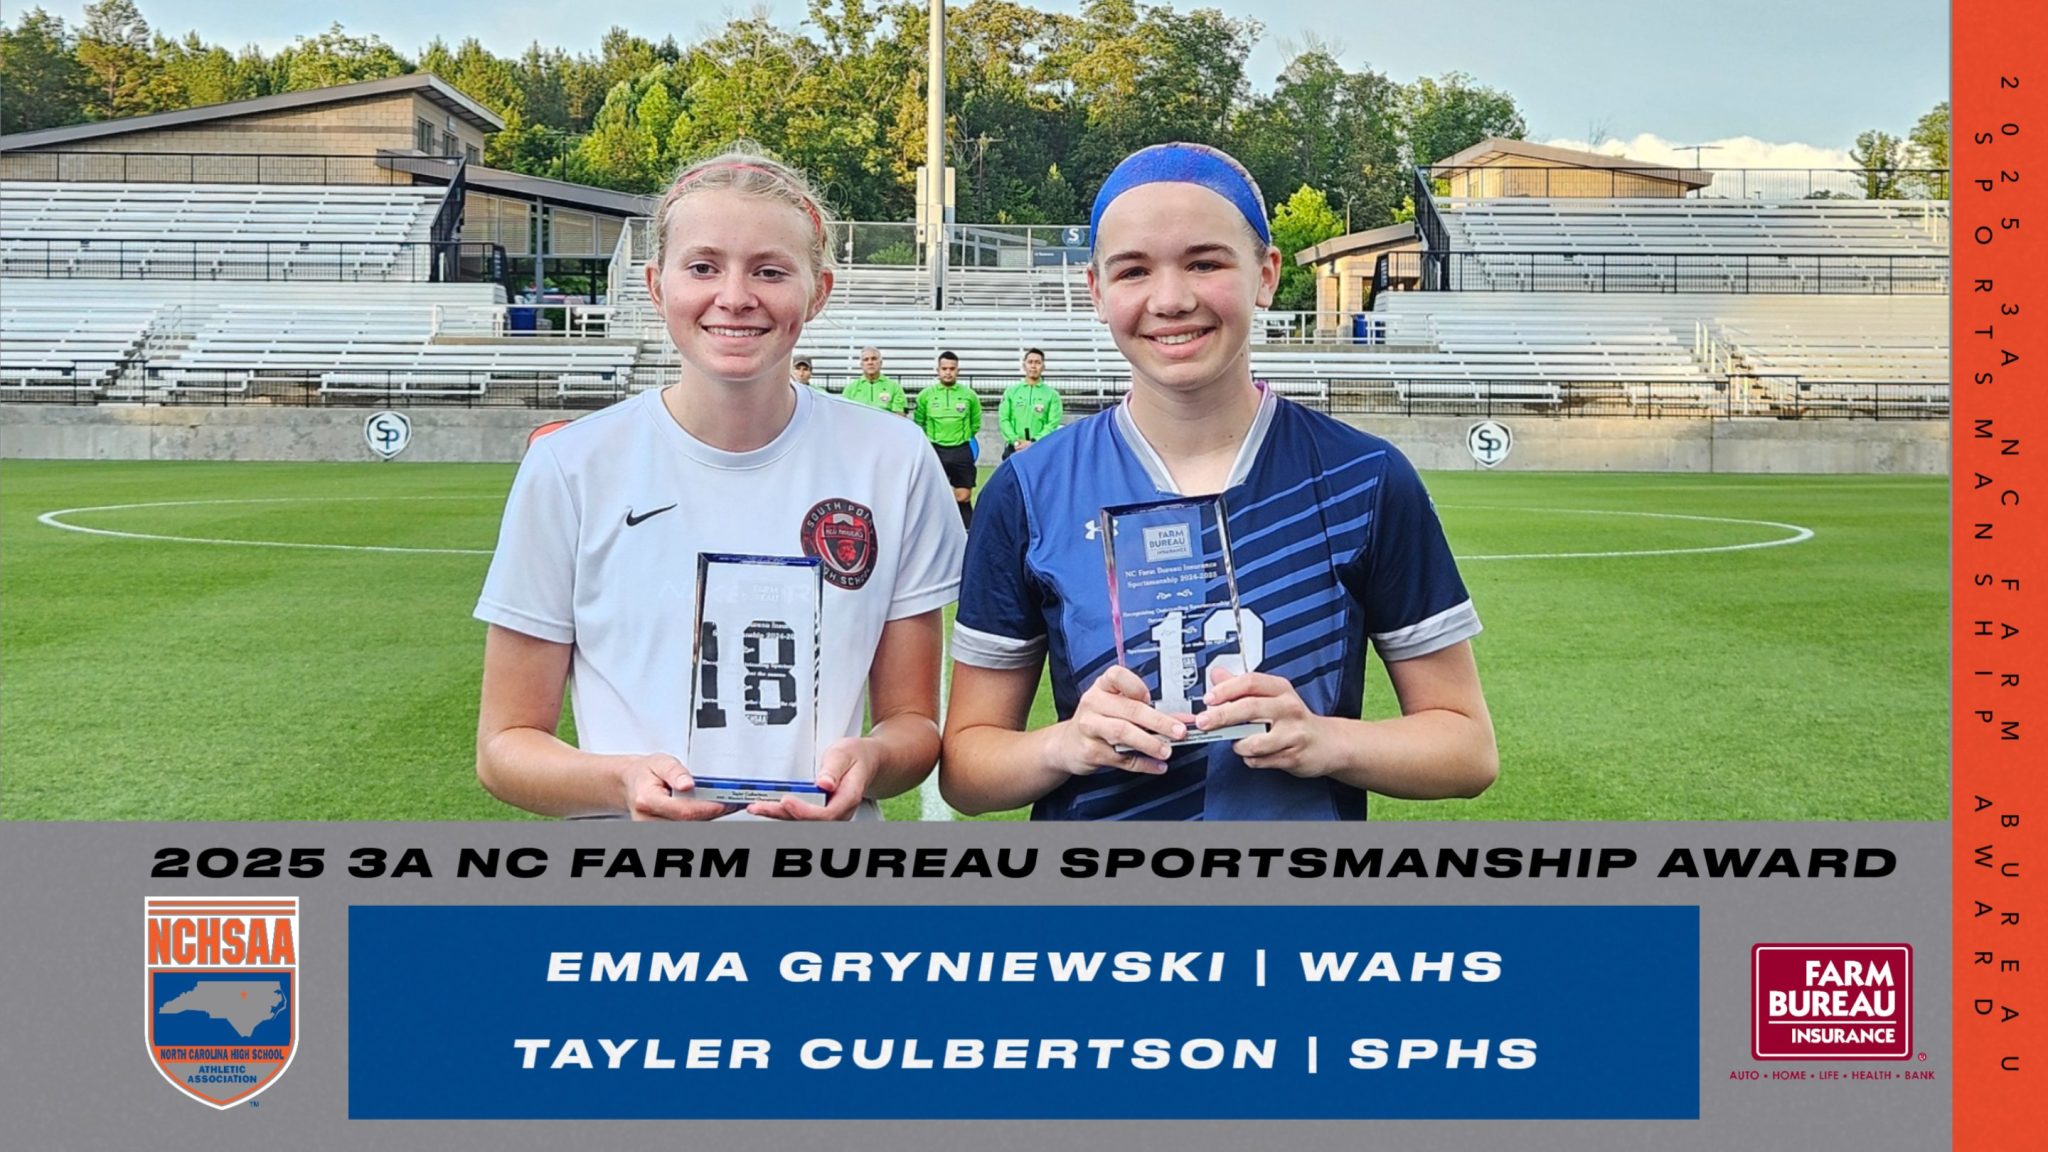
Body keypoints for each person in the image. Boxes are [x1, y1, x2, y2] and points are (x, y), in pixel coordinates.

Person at [940, 142, 1496, 821]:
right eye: (1133, 271)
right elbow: (966, 771)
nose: (1171, 300)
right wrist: (1065, 744)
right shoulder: (1029, 490)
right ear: (1096, 291)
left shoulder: (1365, 478)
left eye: (1205, 263)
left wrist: (1325, 741)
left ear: (1266, 274)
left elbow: (1467, 748)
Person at [474, 147, 966, 822]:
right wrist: (622, 781)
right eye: (703, 267)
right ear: (657, 286)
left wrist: (873, 760)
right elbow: (505, 746)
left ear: (818, 291)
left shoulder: (894, 460)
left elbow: (911, 724)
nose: (735, 297)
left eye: (770, 270)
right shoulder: (570, 467)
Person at [912, 350, 983, 530]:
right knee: (932, 497)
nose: (948, 372)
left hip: (961, 450)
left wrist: (961, 437)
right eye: (944, 369)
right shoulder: (926, 395)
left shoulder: (969, 395)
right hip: (935, 450)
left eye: (952, 368)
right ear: (938, 370)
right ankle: (933, 533)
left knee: (963, 497)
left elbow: (975, 423)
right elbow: (919, 423)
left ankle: (968, 535)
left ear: (958, 370)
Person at [998, 348, 1061, 459]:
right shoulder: (1011, 392)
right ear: (1024, 366)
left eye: (1037, 362)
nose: (1033, 366)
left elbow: (1052, 424)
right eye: (1030, 362)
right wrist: (1015, 441)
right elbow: (1004, 419)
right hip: (1014, 448)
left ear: (1043, 367)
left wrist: (1034, 442)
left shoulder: (1052, 395)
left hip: (1040, 449)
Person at [842, 346, 907, 415]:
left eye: (874, 359)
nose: (870, 362)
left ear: (881, 363)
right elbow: (844, 414)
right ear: (861, 365)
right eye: (866, 359)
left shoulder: (895, 387)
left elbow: (899, 416)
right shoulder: (850, 389)